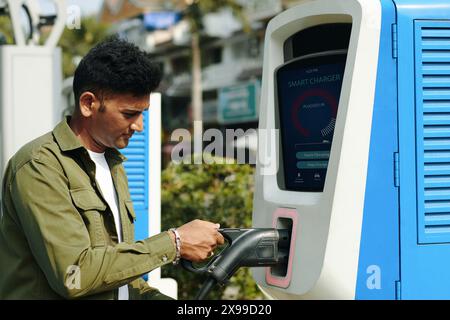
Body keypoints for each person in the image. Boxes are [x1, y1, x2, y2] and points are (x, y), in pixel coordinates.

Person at [0, 37, 224, 300]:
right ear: (88, 104)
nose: (139, 125)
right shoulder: (39, 166)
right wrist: (173, 243)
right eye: (129, 114)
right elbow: (75, 275)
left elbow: (117, 278)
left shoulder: (113, 163)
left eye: (143, 113)